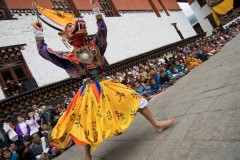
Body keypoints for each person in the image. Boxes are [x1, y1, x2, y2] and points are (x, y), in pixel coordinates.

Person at [31, 0, 174, 159]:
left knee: (136, 99)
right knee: (87, 123)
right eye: (70, 27)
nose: (77, 25)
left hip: (106, 84)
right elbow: (45, 52)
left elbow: (102, 29)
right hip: (88, 91)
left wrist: (96, 9)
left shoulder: (95, 46)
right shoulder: (68, 57)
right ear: (65, 36)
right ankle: (87, 155)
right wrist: (39, 34)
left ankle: (157, 124)